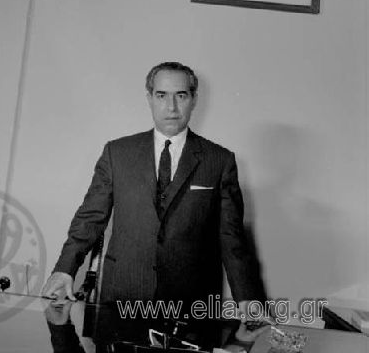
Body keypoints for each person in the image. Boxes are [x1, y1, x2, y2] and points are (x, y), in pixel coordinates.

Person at [42, 62, 265, 320]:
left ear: (194, 99)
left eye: (180, 95)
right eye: (161, 96)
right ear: (149, 98)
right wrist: (64, 269)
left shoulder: (219, 161)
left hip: (191, 308)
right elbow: (90, 218)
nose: (171, 107)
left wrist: (248, 299)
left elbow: (232, 238)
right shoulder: (117, 153)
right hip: (121, 300)